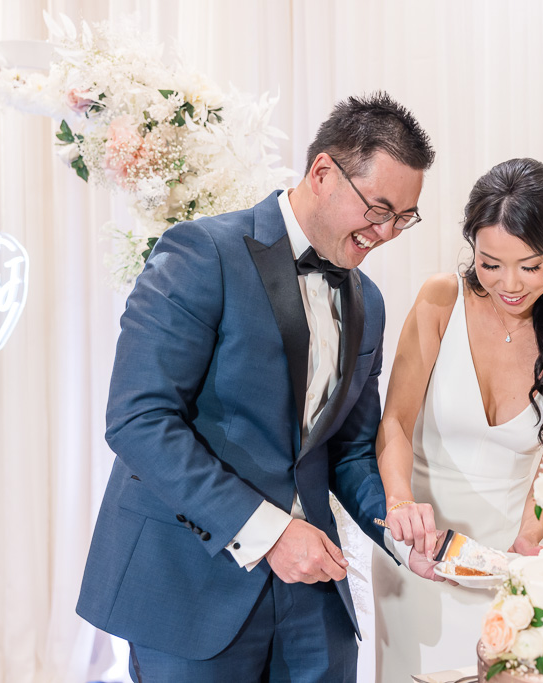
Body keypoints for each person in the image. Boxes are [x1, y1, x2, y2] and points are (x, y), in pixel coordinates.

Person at [76, 92, 440, 683]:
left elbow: (346, 450)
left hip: (315, 592)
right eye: (378, 210)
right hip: (191, 585)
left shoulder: (368, 302)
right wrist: (269, 533)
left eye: (403, 217)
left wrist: (398, 531)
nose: (387, 232)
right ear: (324, 173)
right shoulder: (201, 253)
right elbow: (138, 420)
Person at [372, 158, 543, 680]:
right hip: (417, 553)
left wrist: (524, 545)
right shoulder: (440, 300)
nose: (509, 283)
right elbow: (395, 423)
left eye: (530, 266)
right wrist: (401, 504)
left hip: (503, 569)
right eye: (490, 263)